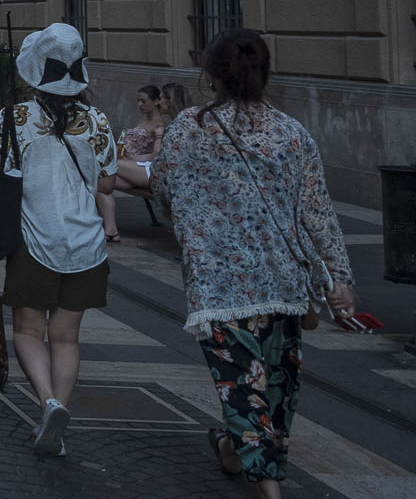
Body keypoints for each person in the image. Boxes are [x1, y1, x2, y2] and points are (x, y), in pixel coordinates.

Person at [152, 30, 357, 498]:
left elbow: (163, 191)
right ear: (266, 73)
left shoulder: (189, 128)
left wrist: (196, 222)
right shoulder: (291, 132)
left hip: (218, 286)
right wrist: (340, 280)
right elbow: (317, 211)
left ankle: (238, 454)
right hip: (284, 282)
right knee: (278, 393)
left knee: (243, 388)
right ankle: (267, 483)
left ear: (211, 76)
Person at [0, 23, 119, 459]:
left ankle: (48, 403)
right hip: (87, 246)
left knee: (30, 331)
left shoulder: (15, 118)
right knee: (67, 338)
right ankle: (61, 412)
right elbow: (107, 183)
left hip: (34, 243)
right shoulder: (96, 121)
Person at [99, 84, 171, 238]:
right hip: (132, 169)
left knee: (107, 165)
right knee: (102, 181)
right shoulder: (142, 120)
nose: (139, 105)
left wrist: (132, 157)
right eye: (138, 101)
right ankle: (111, 230)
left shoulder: (161, 125)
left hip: (146, 170)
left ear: (156, 101)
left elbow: (157, 157)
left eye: (143, 101)